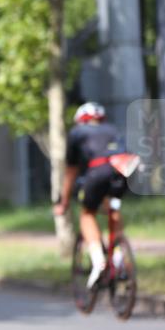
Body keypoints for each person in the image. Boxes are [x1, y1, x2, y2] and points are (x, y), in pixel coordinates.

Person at [53, 102, 134, 289]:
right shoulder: (113, 129)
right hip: (122, 171)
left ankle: (99, 261)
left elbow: (71, 172)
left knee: (87, 213)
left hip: (97, 172)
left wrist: (63, 202)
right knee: (113, 206)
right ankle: (118, 255)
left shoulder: (76, 133)